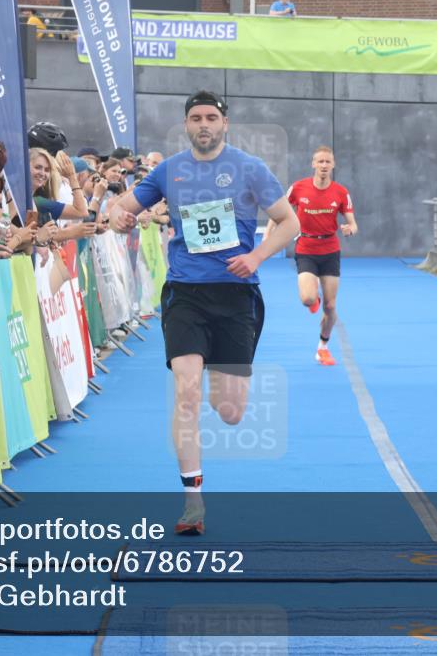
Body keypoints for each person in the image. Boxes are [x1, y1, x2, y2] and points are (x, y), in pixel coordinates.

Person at [108, 90, 299, 534]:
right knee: (187, 392)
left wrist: (256, 257)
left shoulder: (250, 168)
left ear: (225, 123)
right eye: (196, 118)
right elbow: (124, 207)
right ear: (186, 124)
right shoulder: (168, 170)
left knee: (231, 412)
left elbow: (290, 222)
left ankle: (216, 364)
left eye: (211, 117)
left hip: (236, 296)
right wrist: (121, 216)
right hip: (185, 295)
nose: (204, 125)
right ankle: (193, 501)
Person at [266, 146, 356, 366]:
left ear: (333, 165)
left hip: (330, 250)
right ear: (313, 164)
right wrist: (268, 234)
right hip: (306, 247)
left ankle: (323, 347)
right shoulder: (298, 188)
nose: (324, 166)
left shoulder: (341, 192)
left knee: (331, 307)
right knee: (307, 298)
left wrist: (349, 228)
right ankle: (313, 299)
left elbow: (352, 223)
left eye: (328, 162)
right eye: (320, 162)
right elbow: (279, 211)